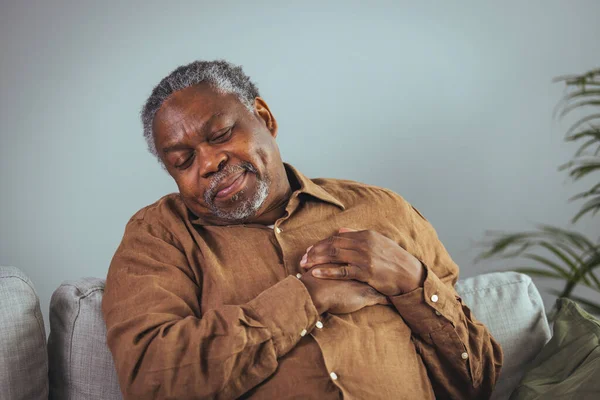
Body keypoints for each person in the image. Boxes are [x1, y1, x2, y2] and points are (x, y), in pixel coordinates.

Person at [102, 60, 503, 400]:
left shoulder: (384, 210)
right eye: (183, 159)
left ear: (264, 118)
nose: (207, 163)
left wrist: (411, 282)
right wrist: (307, 296)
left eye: (221, 134)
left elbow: (476, 380)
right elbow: (151, 379)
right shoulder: (159, 236)